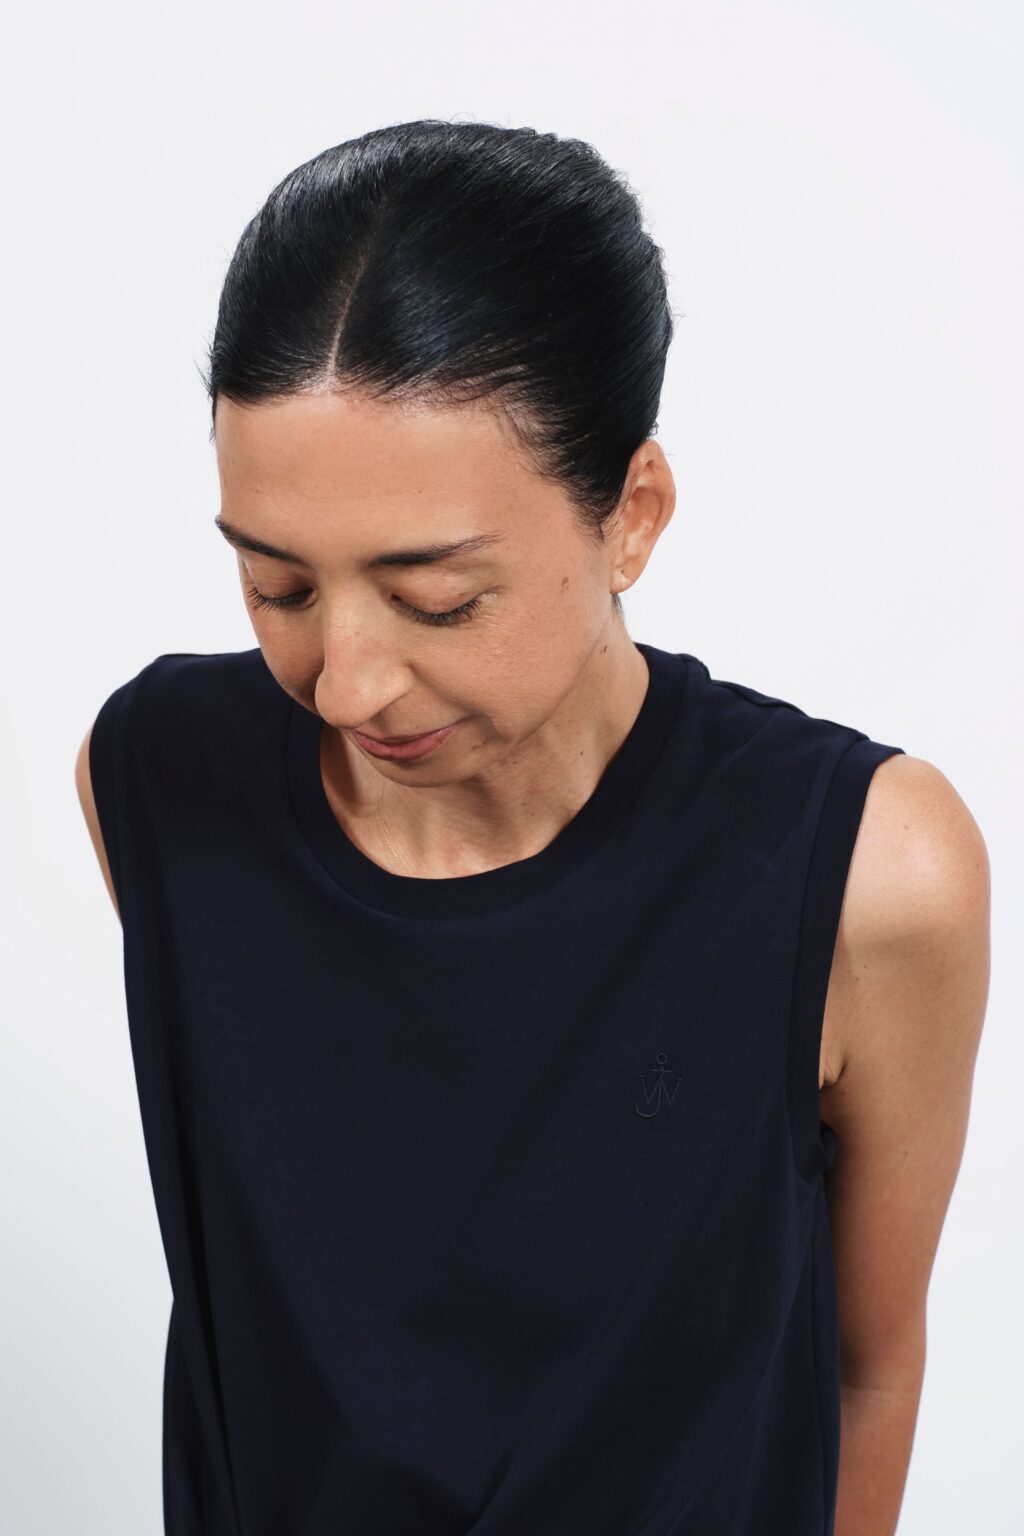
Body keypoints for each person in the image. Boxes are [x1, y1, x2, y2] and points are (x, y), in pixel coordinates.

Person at [76, 120, 990, 1536]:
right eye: (278, 587)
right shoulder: (156, 779)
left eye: (435, 599)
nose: (348, 684)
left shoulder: (869, 871)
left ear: (632, 516)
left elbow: (870, 1371)